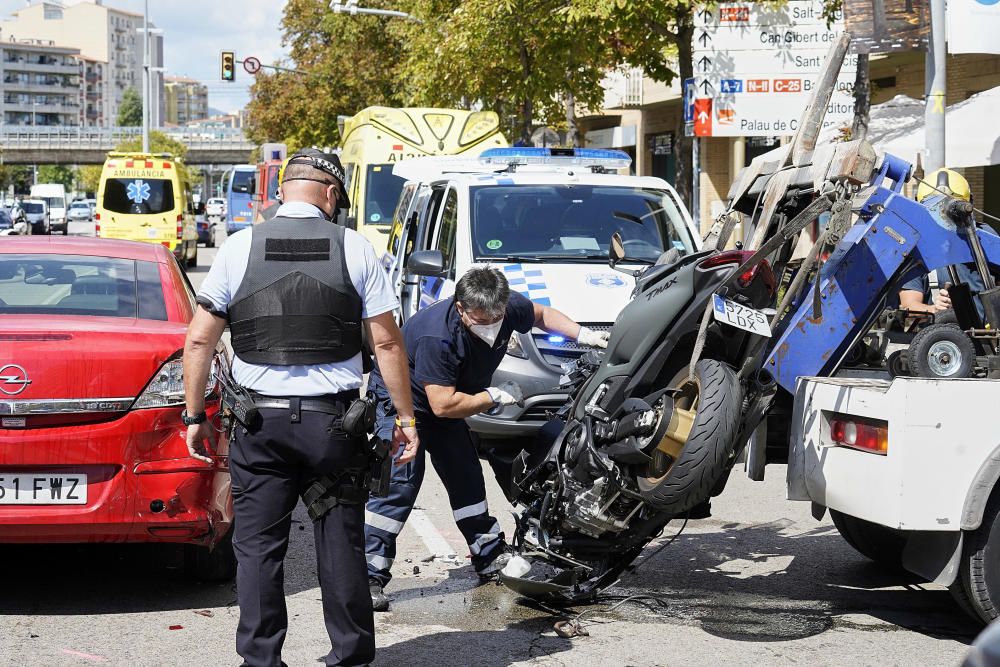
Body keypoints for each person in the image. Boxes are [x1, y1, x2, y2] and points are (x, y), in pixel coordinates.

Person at [182, 148, 420, 667]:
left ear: (282, 191)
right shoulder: (356, 249)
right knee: (340, 544)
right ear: (331, 195)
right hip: (333, 426)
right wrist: (405, 419)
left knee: (259, 549)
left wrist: (194, 415)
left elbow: (199, 341)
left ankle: (261, 661)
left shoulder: (238, 247)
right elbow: (387, 346)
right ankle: (351, 657)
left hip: (258, 424)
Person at [364, 266, 610, 611]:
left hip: (449, 397)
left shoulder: (503, 306)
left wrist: (583, 334)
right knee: (399, 487)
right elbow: (443, 404)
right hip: (405, 401)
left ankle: (488, 554)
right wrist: (495, 396)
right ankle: (369, 576)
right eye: (483, 319)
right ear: (462, 308)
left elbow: (541, 315)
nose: (492, 324)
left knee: (465, 474)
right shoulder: (439, 336)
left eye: (497, 315)